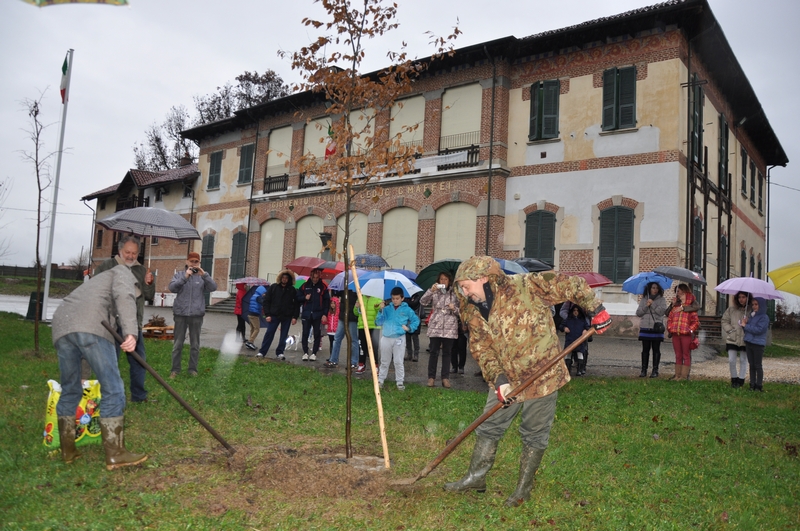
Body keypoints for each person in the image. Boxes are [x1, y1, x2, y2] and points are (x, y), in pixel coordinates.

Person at [444, 256, 610, 508]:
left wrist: (595, 309)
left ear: (483, 278)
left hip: (541, 375)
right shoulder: (471, 307)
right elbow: (481, 348)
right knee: (489, 426)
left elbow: (572, 285)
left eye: (466, 286)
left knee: (534, 433)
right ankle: (475, 478)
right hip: (506, 378)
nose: (464, 292)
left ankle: (523, 490)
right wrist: (499, 381)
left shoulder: (526, 285)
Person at [51, 265, 148, 470]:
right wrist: (131, 332)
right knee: (113, 388)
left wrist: (83, 375)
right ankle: (115, 454)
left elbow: (83, 336)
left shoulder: (96, 286)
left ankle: (67, 450)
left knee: (71, 388)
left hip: (62, 325)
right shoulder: (122, 272)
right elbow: (124, 296)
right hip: (89, 325)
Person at [94, 234, 155, 403]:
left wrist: (149, 283)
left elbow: (149, 296)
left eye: (134, 253)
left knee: (138, 361)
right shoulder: (107, 266)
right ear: (120, 250)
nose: (131, 256)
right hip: (110, 324)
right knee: (109, 362)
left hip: (133, 325)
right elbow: (94, 291)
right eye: (127, 252)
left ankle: (139, 396)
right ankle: (107, 396)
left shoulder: (142, 270)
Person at [168, 252, 217, 378]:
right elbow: (172, 288)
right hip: (180, 313)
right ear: (187, 262)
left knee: (195, 345)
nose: (194, 264)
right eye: (191, 261)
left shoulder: (202, 277)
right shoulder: (179, 275)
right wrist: (185, 277)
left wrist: (204, 274)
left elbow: (213, 287)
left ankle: (192, 369)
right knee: (178, 344)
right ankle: (175, 370)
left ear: (199, 263)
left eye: (196, 261)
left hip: (196, 315)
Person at [375, 287, 420, 390]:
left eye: (397, 298)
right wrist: (381, 311)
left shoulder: (407, 309)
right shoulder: (386, 309)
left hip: (399, 338)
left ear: (402, 298)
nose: (395, 301)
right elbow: (378, 322)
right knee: (384, 360)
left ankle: (400, 382)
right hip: (386, 337)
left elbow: (415, 321)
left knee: (398, 361)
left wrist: (409, 328)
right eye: (393, 298)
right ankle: (380, 380)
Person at [420, 272, 459, 388]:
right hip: (436, 325)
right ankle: (431, 378)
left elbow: (462, 310)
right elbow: (423, 301)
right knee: (433, 352)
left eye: (445, 279)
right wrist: (430, 291)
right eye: (441, 279)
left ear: (449, 281)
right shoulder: (434, 291)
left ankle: (445, 378)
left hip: (450, 326)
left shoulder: (455, 293)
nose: (443, 282)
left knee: (447, 353)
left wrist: (454, 309)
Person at [257, 269, 299, 360]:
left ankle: (280, 352)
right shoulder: (273, 287)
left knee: (284, 335)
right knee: (269, 333)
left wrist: (295, 316)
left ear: (289, 279)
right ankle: (262, 351)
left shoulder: (292, 290)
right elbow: (266, 301)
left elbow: (296, 304)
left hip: (286, 316)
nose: (284, 279)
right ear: (280, 278)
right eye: (283, 278)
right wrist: (267, 314)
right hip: (274, 315)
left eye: (286, 278)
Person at [665, 284, 700, 381]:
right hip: (676, 333)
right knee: (678, 354)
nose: (679, 295)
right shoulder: (676, 306)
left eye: (680, 292)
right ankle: (677, 375)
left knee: (686, 355)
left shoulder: (691, 307)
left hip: (686, 334)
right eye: (677, 292)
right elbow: (669, 317)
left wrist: (690, 330)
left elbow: (696, 322)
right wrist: (670, 328)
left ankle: (684, 376)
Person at [635, 281, 668, 378]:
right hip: (645, 327)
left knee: (656, 349)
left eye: (657, 288)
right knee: (645, 350)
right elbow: (639, 313)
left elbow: (662, 312)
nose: (655, 290)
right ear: (649, 289)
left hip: (656, 328)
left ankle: (655, 370)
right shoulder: (644, 299)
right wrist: (646, 305)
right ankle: (643, 370)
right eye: (653, 288)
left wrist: (652, 304)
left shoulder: (662, 299)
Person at [296, 268, 330, 361]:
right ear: (310, 276)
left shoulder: (323, 287)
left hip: (318, 314)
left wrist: (325, 314)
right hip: (306, 314)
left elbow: (327, 301)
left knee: (317, 334)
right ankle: (305, 352)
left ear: (319, 277)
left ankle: (314, 353)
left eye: (317, 277)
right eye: (313, 277)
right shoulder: (305, 286)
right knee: (305, 333)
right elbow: (297, 298)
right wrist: (305, 298)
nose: (315, 279)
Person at [720, 291, 750, 388]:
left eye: (743, 297)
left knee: (743, 359)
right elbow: (724, 320)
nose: (741, 299)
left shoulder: (750, 311)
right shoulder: (731, 309)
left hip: (745, 338)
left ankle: (741, 380)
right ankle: (734, 379)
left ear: (747, 298)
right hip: (732, 338)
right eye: (739, 297)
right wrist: (730, 331)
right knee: (731, 360)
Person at [325, 290, 360, 368]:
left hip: (352, 318)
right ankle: (333, 360)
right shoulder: (344, 288)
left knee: (353, 340)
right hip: (342, 317)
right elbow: (336, 293)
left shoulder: (357, 289)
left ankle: (354, 362)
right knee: (337, 338)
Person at [741, 296, 769, 392]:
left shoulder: (764, 317)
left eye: (756, 304)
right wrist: (744, 324)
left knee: (757, 365)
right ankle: (752, 384)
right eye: (753, 304)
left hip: (758, 344)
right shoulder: (751, 316)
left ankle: (759, 385)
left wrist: (747, 326)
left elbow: (759, 330)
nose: (754, 306)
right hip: (749, 342)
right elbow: (747, 330)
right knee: (751, 365)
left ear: (761, 305)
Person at [559, 304, 590, 376]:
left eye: (577, 311)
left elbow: (588, 327)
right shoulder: (568, 320)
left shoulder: (582, 320)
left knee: (580, 354)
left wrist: (585, 330)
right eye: (574, 310)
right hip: (570, 339)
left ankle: (579, 369)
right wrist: (564, 328)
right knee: (568, 354)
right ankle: (568, 369)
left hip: (579, 340)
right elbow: (561, 326)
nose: (575, 312)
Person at [355, 294, 382, 374]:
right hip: (362, 326)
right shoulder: (359, 298)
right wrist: (356, 307)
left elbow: (380, 312)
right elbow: (356, 313)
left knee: (374, 347)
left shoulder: (377, 298)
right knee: (362, 347)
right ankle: (361, 364)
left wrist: (380, 307)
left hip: (374, 327)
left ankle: (375, 366)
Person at [245, 283, 268, 350]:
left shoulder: (254, 296)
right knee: (257, 329)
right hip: (254, 315)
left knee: (252, 329)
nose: (264, 294)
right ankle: (250, 342)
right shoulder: (258, 297)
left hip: (250, 314)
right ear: (261, 292)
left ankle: (250, 343)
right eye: (264, 293)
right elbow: (263, 303)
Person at [404, 292, 423, 362]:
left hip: (415, 319)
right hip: (407, 319)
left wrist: (406, 301)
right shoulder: (406, 298)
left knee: (415, 338)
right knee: (407, 338)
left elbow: (413, 304)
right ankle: (409, 354)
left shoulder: (417, 297)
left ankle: (416, 355)